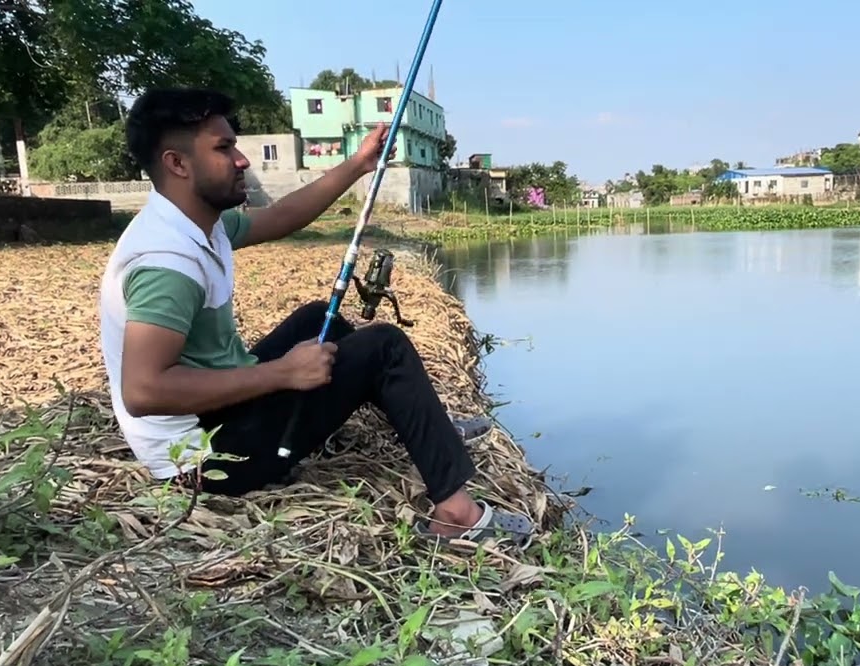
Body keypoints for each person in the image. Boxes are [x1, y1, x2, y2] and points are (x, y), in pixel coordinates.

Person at [96, 87, 533, 548]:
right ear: (177, 163)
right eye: (223, 148)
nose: (242, 159)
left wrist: (358, 164)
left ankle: (429, 429)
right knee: (385, 347)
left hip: (213, 416)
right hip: (206, 462)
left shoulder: (194, 223)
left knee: (319, 318)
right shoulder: (167, 263)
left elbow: (282, 216)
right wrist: (283, 373)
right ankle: (458, 515)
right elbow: (144, 391)